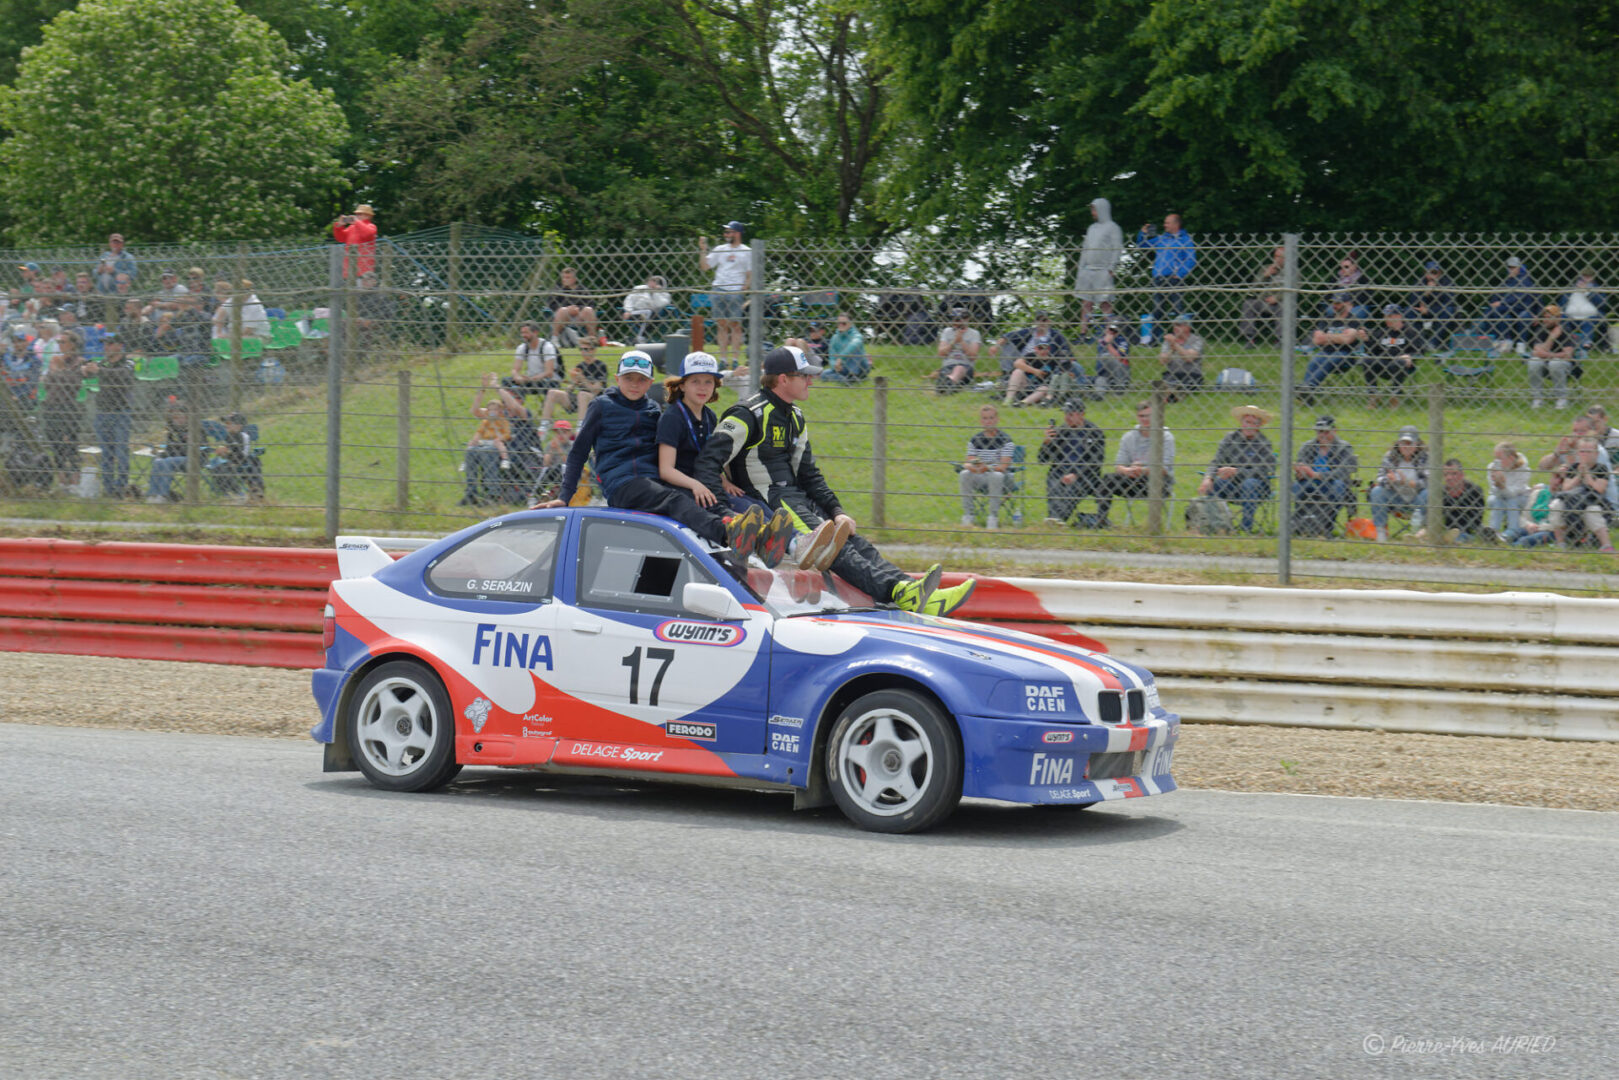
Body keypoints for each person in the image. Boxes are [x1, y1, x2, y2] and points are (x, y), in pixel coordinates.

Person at [695, 345, 973, 615]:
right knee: (831, 549)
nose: (811, 381)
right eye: (804, 375)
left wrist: (837, 512)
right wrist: (723, 509)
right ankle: (898, 593)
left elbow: (809, 474)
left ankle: (917, 592)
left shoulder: (795, 416)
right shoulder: (747, 414)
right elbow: (708, 461)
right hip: (771, 502)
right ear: (783, 379)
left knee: (855, 540)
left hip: (795, 498)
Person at [538, 349, 800, 567]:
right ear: (617, 378)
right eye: (628, 378)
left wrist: (715, 480)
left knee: (694, 499)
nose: (634, 384)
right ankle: (729, 532)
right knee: (674, 499)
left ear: (650, 383)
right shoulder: (602, 406)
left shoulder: (653, 410)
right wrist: (565, 494)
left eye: (641, 380)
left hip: (653, 483)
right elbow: (578, 452)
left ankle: (761, 538)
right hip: (624, 483)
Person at [1094, 401, 1176, 528]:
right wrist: (1127, 470)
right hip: (1132, 479)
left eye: (1149, 415)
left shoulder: (1166, 437)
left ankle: (1154, 527)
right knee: (1107, 479)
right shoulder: (1128, 437)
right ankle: (1101, 520)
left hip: (1158, 482)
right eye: (1142, 416)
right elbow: (1118, 465)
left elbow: (1164, 468)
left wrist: (1143, 470)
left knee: (1157, 476)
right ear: (1137, 417)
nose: (1145, 419)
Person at [1199, 405, 1276, 533]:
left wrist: (1237, 471)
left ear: (1259, 426)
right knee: (1216, 484)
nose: (1250, 426)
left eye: (1254, 423)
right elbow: (1216, 461)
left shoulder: (1264, 443)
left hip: (1258, 489)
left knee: (1249, 483)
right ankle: (1218, 526)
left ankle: (1246, 529)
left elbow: (1264, 471)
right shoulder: (1230, 438)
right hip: (1232, 486)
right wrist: (1208, 478)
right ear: (1241, 422)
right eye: (1247, 422)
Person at [1038, 398, 1106, 526]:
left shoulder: (1095, 433)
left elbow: (1096, 462)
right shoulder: (1061, 431)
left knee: (1071, 487)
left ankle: (1057, 519)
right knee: (1054, 482)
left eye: (1070, 414)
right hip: (1060, 472)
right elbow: (1042, 460)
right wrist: (1046, 442)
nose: (1066, 418)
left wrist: (1076, 474)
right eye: (1065, 414)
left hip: (1085, 475)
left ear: (1081, 414)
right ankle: (1056, 519)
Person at [83, 336, 135, 497]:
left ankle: (121, 487)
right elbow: (87, 374)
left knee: (121, 451)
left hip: (121, 413)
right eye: (104, 344)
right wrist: (85, 370)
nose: (106, 347)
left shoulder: (128, 363)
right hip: (102, 413)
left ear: (120, 345)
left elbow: (122, 375)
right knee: (106, 453)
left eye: (110, 344)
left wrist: (99, 371)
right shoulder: (102, 363)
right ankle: (108, 488)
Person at [1291, 415, 1358, 536]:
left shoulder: (1344, 447)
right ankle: (1300, 524)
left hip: (1332, 484)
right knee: (1297, 486)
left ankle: (1326, 526)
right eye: (1319, 431)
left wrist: (1318, 475)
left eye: (1326, 432)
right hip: (1309, 482)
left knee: (1338, 486)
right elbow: (1302, 463)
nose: (1323, 435)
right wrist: (1300, 472)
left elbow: (1343, 472)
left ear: (1335, 430)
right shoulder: (1308, 446)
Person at [698, 222, 752, 370]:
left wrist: (745, 287)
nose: (726, 235)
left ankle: (734, 359)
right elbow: (705, 266)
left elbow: (750, 273)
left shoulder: (747, 251)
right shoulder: (720, 249)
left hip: (735, 291)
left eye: (729, 232)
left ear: (738, 233)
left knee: (735, 325)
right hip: (719, 289)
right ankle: (723, 359)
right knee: (721, 325)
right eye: (726, 232)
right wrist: (703, 250)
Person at [1137, 213, 1196, 340]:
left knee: (1178, 310)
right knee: (1157, 311)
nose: (1165, 225)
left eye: (1168, 223)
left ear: (1176, 224)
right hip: (1159, 279)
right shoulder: (1162, 239)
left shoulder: (1185, 240)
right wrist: (1142, 233)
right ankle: (1154, 340)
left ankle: (1183, 338)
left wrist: (1179, 274)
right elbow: (1143, 246)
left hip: (1174, 279)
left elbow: (1191, 260)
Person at [1549, 437, 1614, 552]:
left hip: (1592, 501)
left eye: (1589, 452)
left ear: (1596, 454)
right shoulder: (1573, 468)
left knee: (1592, 511)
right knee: (1556, 505)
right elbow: (1566, 488)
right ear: (1577, 453)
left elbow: (1599, 489)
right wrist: (1579, 475)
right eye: (1582, 451)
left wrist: (1587, 473)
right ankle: (1561, 542)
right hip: (1572, 501)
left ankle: (1606, 545)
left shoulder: (1601, 469)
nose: (1585, 454)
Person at [460, 373, 514, 505]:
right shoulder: (488, 417)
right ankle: (471, 493)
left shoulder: (507, 414)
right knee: (471, 451)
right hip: (484, 443)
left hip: (496, 444)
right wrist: (483, 388)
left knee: (487, 451)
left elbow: (506, 433)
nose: (492, 411)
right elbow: (475, 410)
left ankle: (493, 494)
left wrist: (495, 385)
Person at [38, 339, 85, 490]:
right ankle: (62, 479)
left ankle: (75, 479)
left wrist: (57, 371)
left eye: (63, 341)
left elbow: (73, 382)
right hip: (52, 405)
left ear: (72, 343)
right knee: (55, 443)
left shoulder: (79, 362)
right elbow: (46, 383)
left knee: (71, 443)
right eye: (59, 342)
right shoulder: (55, 360)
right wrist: (56, 374)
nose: (60, 344)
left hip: (70, 407)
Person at [1301, 294, 1367, 402]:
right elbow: (1317, 340)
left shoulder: (1353, 320)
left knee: (1330, 360)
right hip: (1326, 351)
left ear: (1347, 304)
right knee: (1314, 361)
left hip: (1346, 354)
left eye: (1338, 303)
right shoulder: (1327, 319)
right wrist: (1340, 337)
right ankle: (1306, 392)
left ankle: (1308, 388)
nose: (1334, 306)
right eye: (1333, 303)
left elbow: (1347, 340)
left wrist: (1327, 337)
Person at [1073, 198, 1124, 336]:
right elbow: (1086, 249)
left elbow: (1117, 248)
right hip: (1088, 269)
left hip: (1103, 270)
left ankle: (1110, 331)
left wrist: (1111, 268)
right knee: (1086, 302)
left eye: (1094, 209)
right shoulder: (1092, 228)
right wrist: (1081, 269)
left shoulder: (1113, 227)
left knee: (1104, 302)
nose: (1092, 212)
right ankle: (1083, 332)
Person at [1368, 426, 1427, 543]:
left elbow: (1428, 482)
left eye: (1410, 443)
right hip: (1395, 498)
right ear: (1398, 443)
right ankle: (1381, 532)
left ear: (1417, 444)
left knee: (1428, 493)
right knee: (1377, 491)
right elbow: (1380, 478)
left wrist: (1406, 482)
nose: (1406, 446)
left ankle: (1420, 533)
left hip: (1416, 499)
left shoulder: (1425, 457)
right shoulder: (1390, 456)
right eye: (1403, 443)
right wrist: (1390, 481)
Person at [959, 405, 1014, 528]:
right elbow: (971, 461)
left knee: (996, 475)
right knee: (964, 474)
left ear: (997, 419)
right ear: (980, 421)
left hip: (1003, 479)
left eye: (991, 418)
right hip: (982, 476)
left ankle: (992, 517)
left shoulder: (1006, 440)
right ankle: (968, 515)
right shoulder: (974, 440)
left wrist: (987, 468)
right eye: (984, 418)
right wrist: (973, 466)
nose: (988, 421)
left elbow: (1003, 466)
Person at [539, 338, 605, 429]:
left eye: (586, 349)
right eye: (581, 349)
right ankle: (544, 425)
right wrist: (573, 382)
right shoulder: (580, 366)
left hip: (595, 400)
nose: (583, 352)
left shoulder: (601, 366)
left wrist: (582, 378)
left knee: (582, 394)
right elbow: (569, 391)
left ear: (593, 350)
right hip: (579, 399)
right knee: (552, 392)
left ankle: (581, 427)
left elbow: (596, 391)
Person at [1416, 459, 1484, 543]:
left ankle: (1447, 539)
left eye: (1454, 474)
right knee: (1428, 530)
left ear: (1462, 475)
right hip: (1445, 529)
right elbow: (1431, 515)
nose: (1449, 477)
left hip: (1466, 530)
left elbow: (1476, 521)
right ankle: (1420, 537)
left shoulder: (1474, 491)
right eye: (1446, 474)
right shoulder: (1441, 493)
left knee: (1463, 537)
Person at [1363, 305, 1418, 409]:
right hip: (1383, 363)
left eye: (1390, 316)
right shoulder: (1381, 332)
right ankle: (1373, 396)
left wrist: (1409, 356)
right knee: (1367, 360)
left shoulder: (1410, 332)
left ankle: (1394, 396)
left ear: (1399, 316)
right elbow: (1372, 351)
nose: (1386, 318)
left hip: (1402, 365)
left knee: (1399, 362)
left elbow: (1419, 350)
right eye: (1385, 316)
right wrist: (1366, 340)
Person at [1526, 304, 1577, 410]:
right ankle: (1537, 398)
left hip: (1565, 366)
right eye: (1544, 317)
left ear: (1558, 318)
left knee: (1555, 363)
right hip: (1545, 364)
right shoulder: (1541, 329)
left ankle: (1561, 398)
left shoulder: (1565, 330)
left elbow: (1568, 355)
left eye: (1549, 318)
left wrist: (1548, 355)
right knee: (1533, 361)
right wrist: (1552, 337)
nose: (1545, 320)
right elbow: (1536, 353)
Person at [1483, 256, 1536, 353]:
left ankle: (1520, 345)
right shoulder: (1507, 281)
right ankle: (1505, 342)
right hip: (1508, 309)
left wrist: (1502, 302)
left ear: (1519, 268)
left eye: (1513, 268)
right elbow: (1497, 295)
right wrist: (1494, 303)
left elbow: (1519, 296)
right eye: (1509, 268)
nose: (1511, 270)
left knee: (1521, 315)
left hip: (1521, 308)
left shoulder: (1525, 280)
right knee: (1497, 312)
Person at [208, 411, 265, 502]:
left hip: (242, 462)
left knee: (226, 468)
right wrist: (222, 452)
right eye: (225, 423)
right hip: (230, 462)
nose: (226, 425)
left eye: (229, 423)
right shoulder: (229, 436)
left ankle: (242, 493)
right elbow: (228, 451)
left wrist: (227, 452)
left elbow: (241, 454)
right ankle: (228, 493)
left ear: (239, 426)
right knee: (217, 468)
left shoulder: (243, 436)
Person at [145, 399, 192, 503]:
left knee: (167, 461)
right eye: (175, 417)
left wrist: (186, 441)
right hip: (175, 459)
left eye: (181, 417)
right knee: (158, 461)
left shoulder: (194, 428)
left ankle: (163, 495)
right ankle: (152, 494)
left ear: (187, 417)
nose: (178, 420)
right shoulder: (172, 430)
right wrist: (160, 454)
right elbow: (170, 449)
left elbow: (200, 449)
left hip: (192, 459)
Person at [1239, 245, 1286, 346]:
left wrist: (1277, 298)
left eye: (1280, 257)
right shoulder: (1265, 268)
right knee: (1248, 304)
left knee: (1283, 307)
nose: (1277, 259)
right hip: (1262, 301)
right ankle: (1249, 338)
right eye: (1275, 256)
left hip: (1280, 303)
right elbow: (1254, 287)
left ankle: (1280, 339)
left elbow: (1294, 288)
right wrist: (1265, 276)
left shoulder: (1292, 271)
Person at [1406, 260, 1458, 352]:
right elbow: (1412, 302)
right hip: (1421, 311)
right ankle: (1419, 343)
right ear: (1425, 273)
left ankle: (1432, 343)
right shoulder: (1420, 282)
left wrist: (1428, 310)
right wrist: (1426, 293)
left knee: (1448, 311)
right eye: (1429, 272)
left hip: (1438, 311)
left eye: (1434, 272)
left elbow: (1450, 303)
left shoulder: (1446, 282)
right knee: (1408, 311)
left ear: (1439, 273)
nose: (1432, 275)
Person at [1485, 441, 1532, 538]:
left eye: (1499, 459)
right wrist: (1498, 485)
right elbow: (1495, 492)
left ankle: (1511, 532)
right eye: (1495, 458)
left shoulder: (1524, 470)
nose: (1496, 462)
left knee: (1512, 500)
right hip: (1497, 497)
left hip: (1520, 497)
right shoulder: (1492, 468)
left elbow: (1514, 493)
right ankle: (1493, 532)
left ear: (1511, 458)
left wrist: (1502, 486)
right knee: (1498, 500)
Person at [505, 321, 562, 398]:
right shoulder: (522, 348)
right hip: (530, 380)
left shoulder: (547, 347)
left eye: (526, 333)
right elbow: (515, 369)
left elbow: (549, 373)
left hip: (547, 381)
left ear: (535, 333)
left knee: (549, 385)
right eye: (522, 333)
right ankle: (515, 405)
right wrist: (517, 377)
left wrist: (531, 379)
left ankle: (545, 408)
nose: (523, 335)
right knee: (506, 381)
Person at [934, 306, 981, 392]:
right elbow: (941, 353)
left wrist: (961, 341)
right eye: (953, 319)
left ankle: (949, 383)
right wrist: (954, 341)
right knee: (950, 371)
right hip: (948, 366)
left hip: (966, 366)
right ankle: (949, 385)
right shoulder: (947, 331)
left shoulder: (974, 333)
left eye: (958, 320)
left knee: (959, 368)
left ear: (967, 319)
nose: (955, 322)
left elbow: (973, 356)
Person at [547, 266, 597, 346]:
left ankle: (592, 339)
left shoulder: (582, 289)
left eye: (568, 277)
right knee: (562, 310)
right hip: (563, 316)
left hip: (579, 317)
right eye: (563, 277)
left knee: (588, 310)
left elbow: (592, 304)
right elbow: (551, 304)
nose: (564, 279)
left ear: (574, 279)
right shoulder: (558, 289)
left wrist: (578, 309)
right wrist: (568, 309)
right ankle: (554, 339)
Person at [1157, 315, 1204, 401]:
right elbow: (1162, 361)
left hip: (1192, 374)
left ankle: (1175, 393)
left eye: (1179, 325)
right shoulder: (1168, 341)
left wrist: (1175, 345)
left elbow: (1188, 358)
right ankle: (1174, 393)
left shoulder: (1197, 340)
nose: (1175, 327)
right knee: (1167, 381)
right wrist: (1171, 348)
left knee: (1187, 383)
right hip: (1172, 374)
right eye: (1174, 325)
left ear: (1188, 327)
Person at [1561, 268, 1605, 350]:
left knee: (1588, 323)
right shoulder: (1572, 288)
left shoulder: (1597, 289)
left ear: (1593, 278)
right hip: (1570, 317)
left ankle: (1585, 344)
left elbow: (1601, 304)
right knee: (1562, 318)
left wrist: (1587, 292)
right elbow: (1562, 303)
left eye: (1588, 277)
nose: (1585, 278)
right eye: (1584, 276)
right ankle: (1567, 344)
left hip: (1590, 316)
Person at [621, 275, 672, 344]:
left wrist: (656, 292)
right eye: (651, 281)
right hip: (635, 312)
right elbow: (629, 300)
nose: (652, 283)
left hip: (652, 316)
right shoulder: (639, 288)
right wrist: (628, 311)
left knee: (653, 315)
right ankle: (640, 337)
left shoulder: (665, 294)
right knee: (649, 312)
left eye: (655, 282)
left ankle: (640, 337)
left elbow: (659, 304)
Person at [822, 312, 870, 384]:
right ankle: (845, 379)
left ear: (850, 323)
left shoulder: (856, 335)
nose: (841, 325)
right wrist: (835, 365)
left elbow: (855, 344)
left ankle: (853, 376)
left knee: (855, 349)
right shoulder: (834, 338)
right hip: (843, 367)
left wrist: (841, 358)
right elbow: (831, 357)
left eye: (844, 323)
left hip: (860, 367)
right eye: (839, 323)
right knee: (824, 374)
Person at [332, 204, 378, 278]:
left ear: (368, 216)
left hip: (364, 268)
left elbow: (367, 234)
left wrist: (357, 222)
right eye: (356, 214)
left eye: (359, 214)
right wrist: (339, 225)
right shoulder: (352, 227)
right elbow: (340, 238)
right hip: (350, 266)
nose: (357, 216)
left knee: (361, 288)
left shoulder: (371, 226)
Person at [1093, 317, 1130, 394]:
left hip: (1120, 371)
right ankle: (1099, 394)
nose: (1111, 332)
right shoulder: (1102, 340)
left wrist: (1108, 344)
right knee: (1100, 381)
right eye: (1109, 329)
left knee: (1106, 356)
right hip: (1105, 372)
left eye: (1114, 330)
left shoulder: (1122, 340)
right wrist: (1105, 342)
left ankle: (1120, 385)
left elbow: (1120, 357)